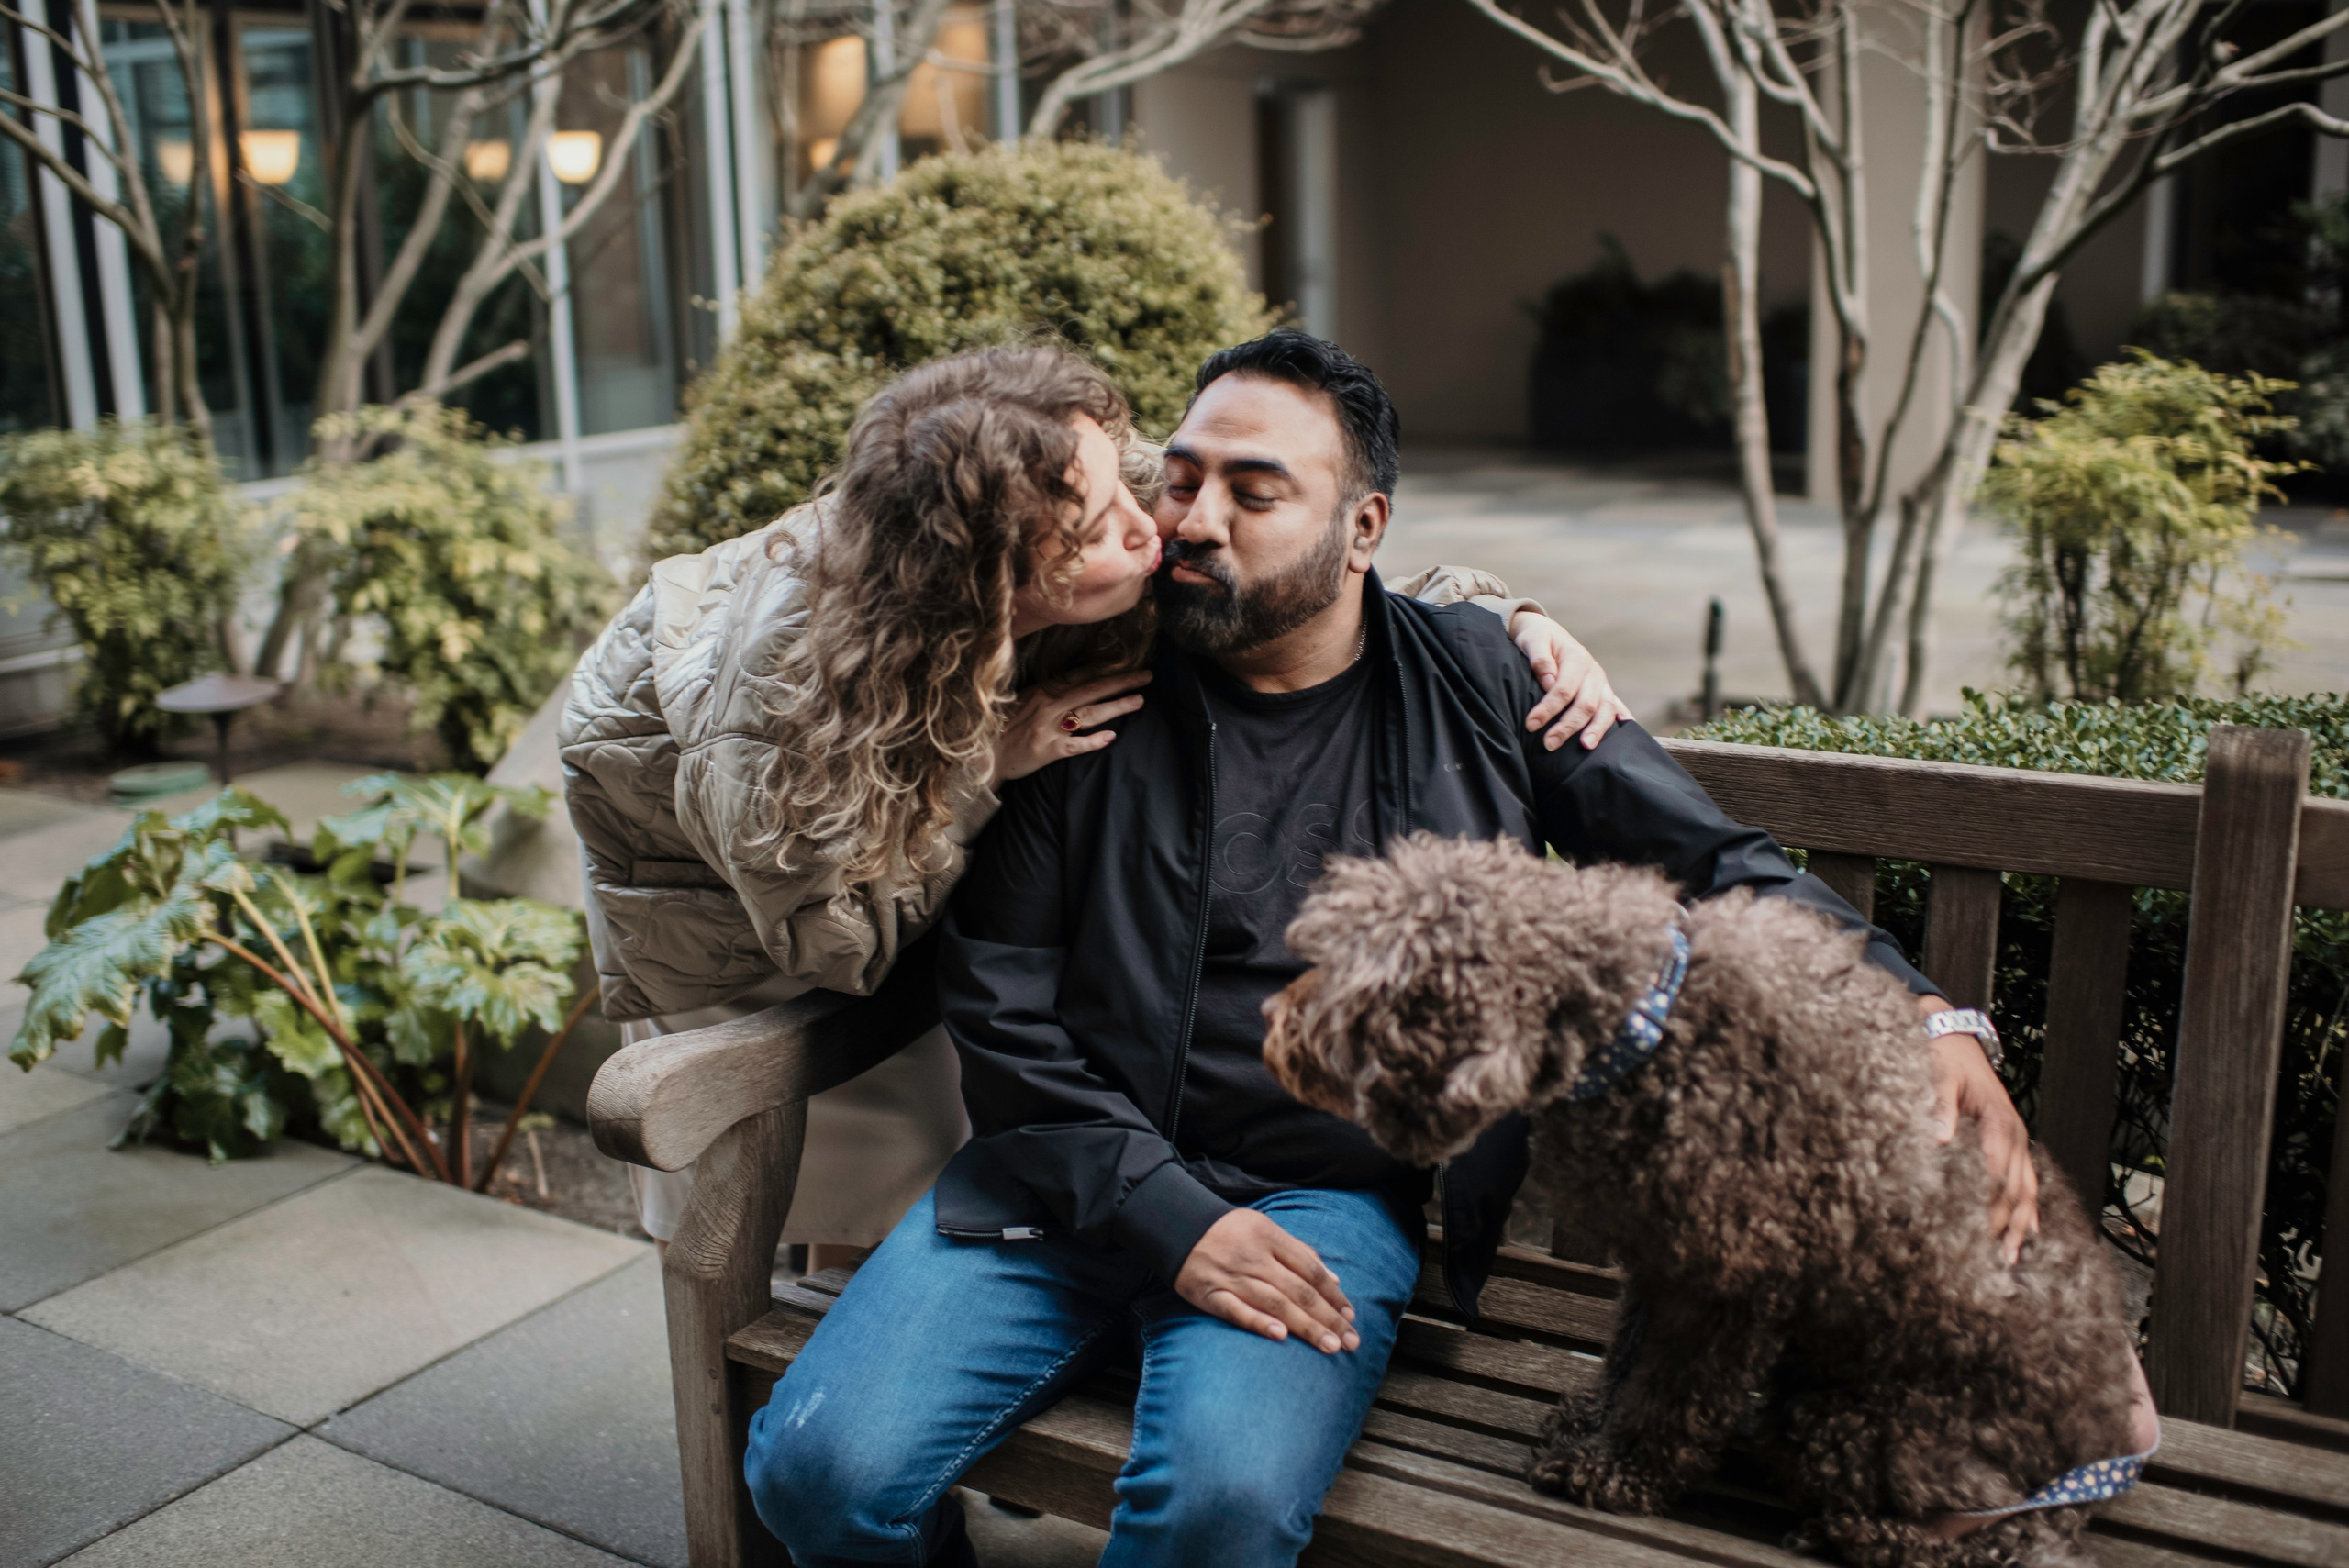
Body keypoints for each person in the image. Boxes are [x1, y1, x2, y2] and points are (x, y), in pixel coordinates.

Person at [740, 330, 2038, 1567]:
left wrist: (1930, 1015)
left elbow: (1710, 860)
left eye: (1256, 490)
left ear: (1363, 529)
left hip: (1320, 1202)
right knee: (815, 1467)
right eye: (1182, 476)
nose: (1193, 518)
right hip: (1068, 1178)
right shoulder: (1087, 680)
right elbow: (1001, 1005)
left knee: (1221, 1507)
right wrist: (1171, 1219)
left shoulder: (1483, 679)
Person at [560, 343, 1630, 1263]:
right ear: (991, 589)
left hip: (887, 774)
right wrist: (986, 767)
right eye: (1096, 531)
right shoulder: (788, 715)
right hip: (725, 887)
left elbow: (1303, 541)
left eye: (1132, 484)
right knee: (824, 1142)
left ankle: (920, 1361)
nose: (1150, 526)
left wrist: (1500, 616)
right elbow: (842, 940)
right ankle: (828, 1376)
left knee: (945, 1118)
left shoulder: (1063, 487)